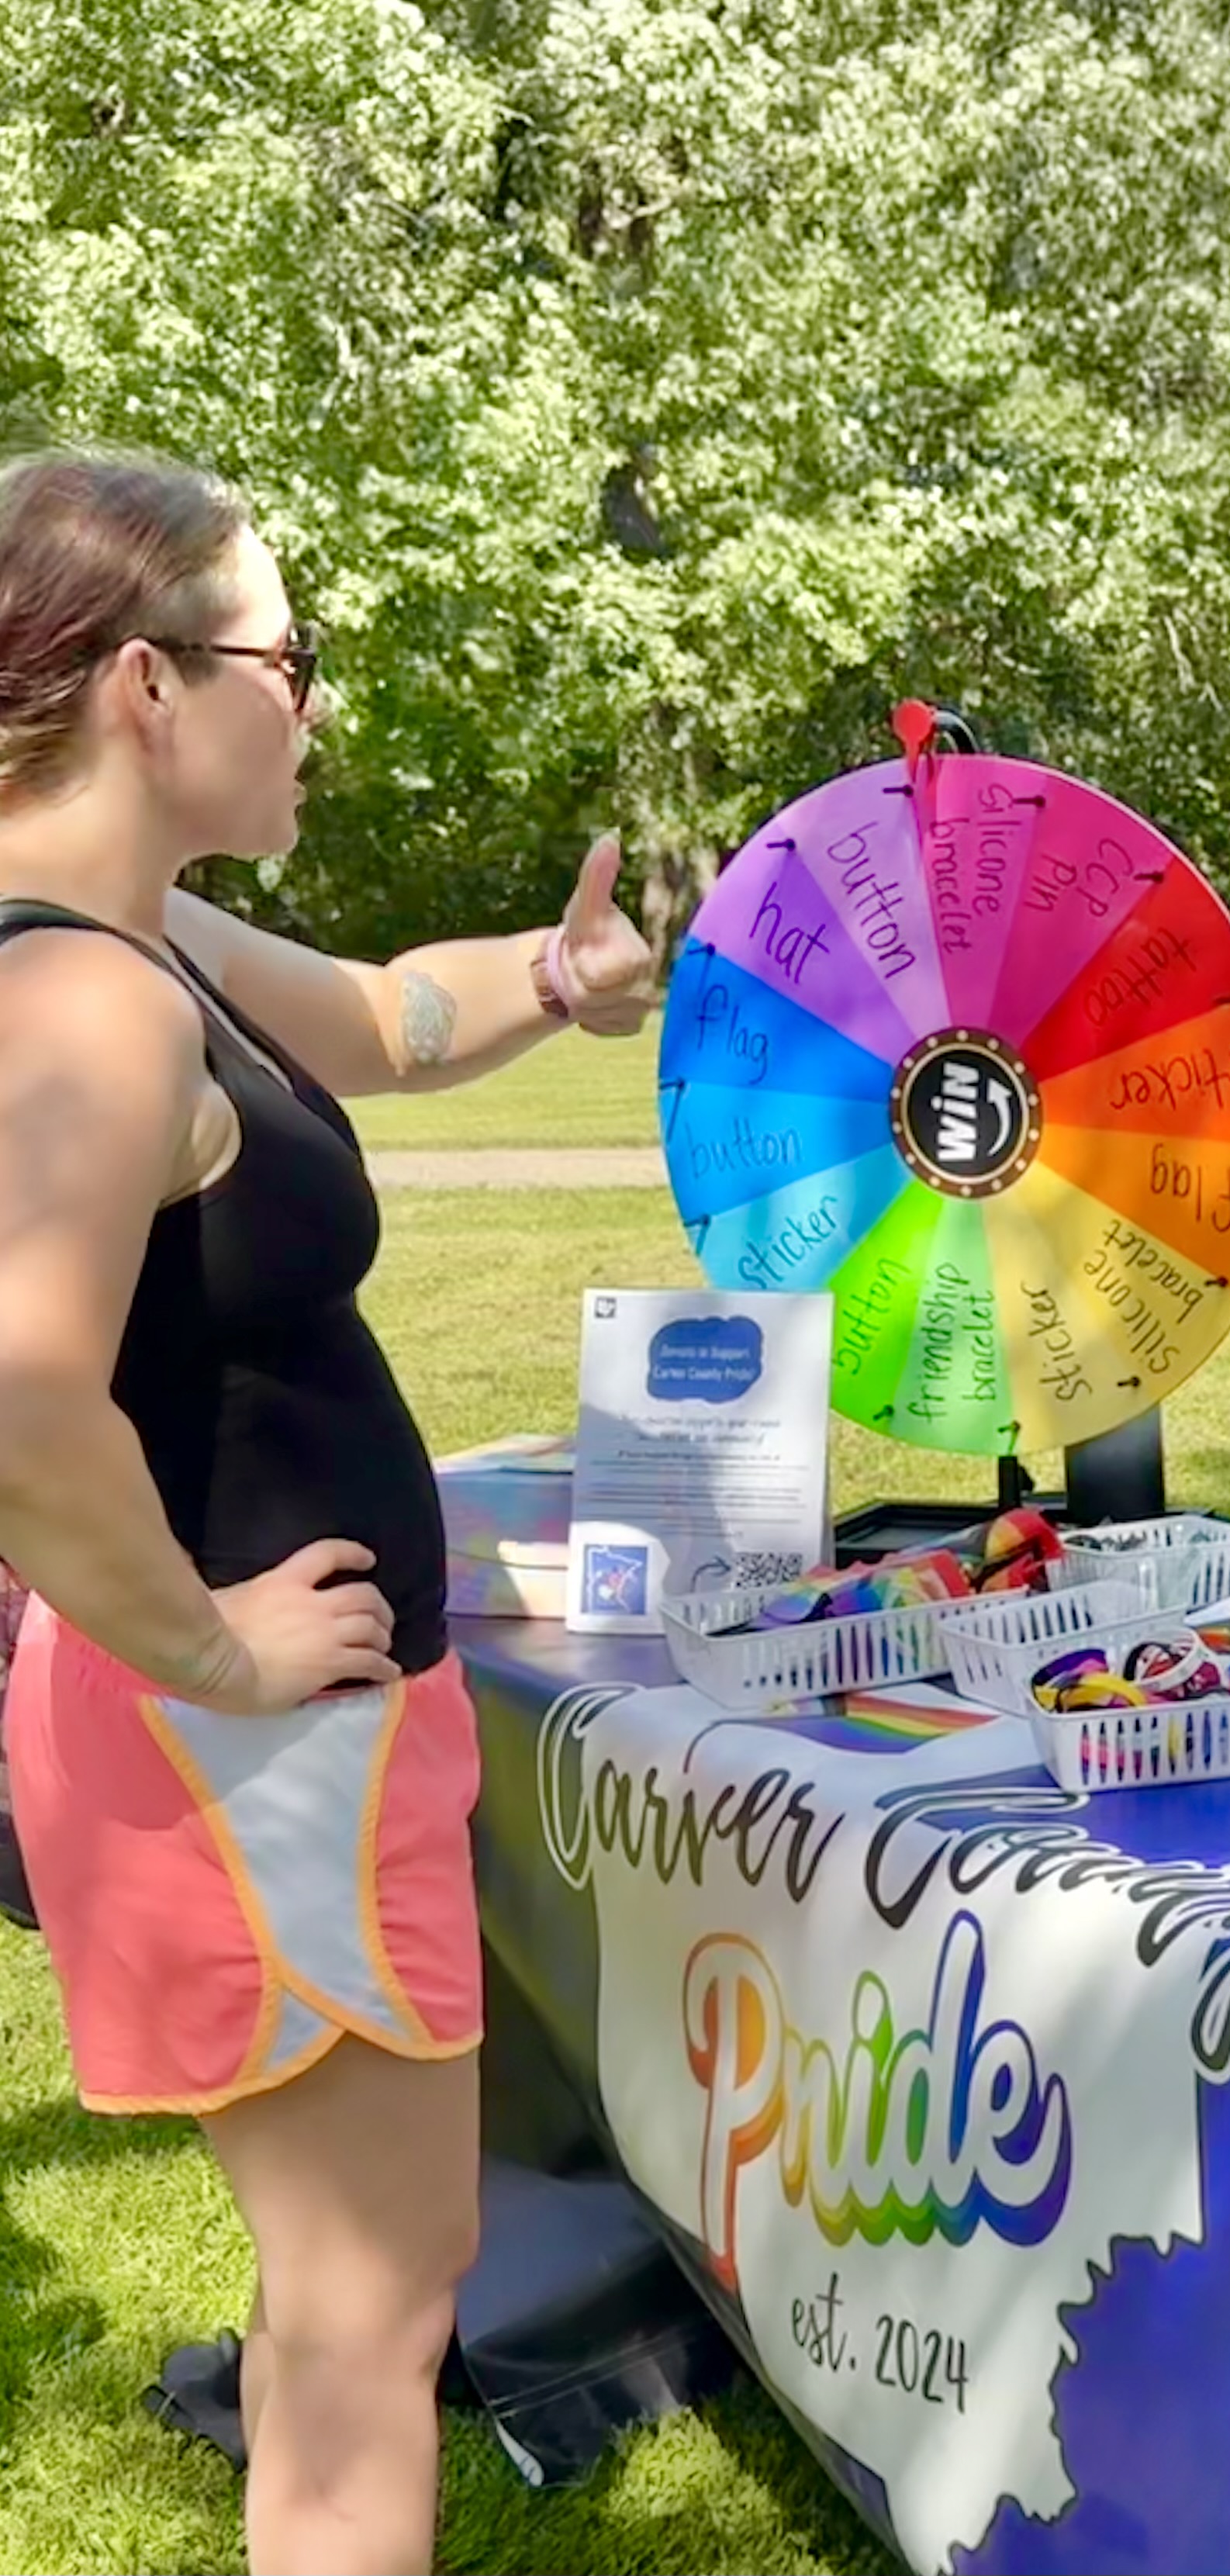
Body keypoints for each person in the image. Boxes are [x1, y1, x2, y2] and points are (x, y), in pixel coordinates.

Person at [0, 450, 653, 2576]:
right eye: (289, 658)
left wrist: (555, 974)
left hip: (285, 1744)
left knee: (341, 2294)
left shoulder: (146, 938)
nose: (312, 704)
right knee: (374, 2313)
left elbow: (384, 1018)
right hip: (253, 1750)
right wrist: (213, 1643)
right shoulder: (82, 997)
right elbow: (18, 1396)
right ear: (145, 686)